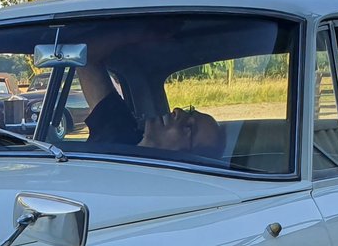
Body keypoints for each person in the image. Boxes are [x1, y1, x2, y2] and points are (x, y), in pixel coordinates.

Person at [76, 39, 226, 160]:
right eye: (190, 112)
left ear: (184, 158)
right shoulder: (120, 131)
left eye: (189, 128)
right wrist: (140, 33)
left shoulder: (157, 191)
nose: (178, 111)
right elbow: (85, 57)